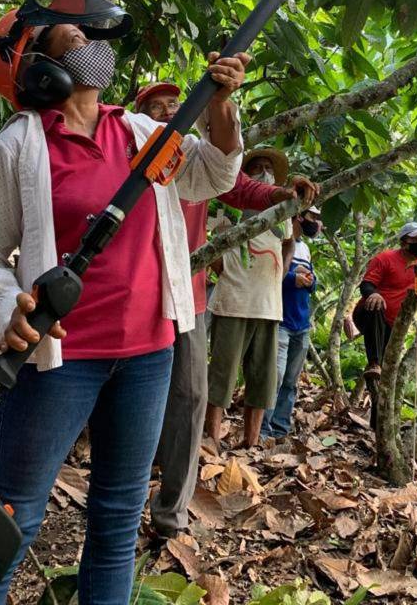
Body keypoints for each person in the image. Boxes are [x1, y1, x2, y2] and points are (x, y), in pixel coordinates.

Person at [0, 0, 247, 605]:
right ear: (36, 63)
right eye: (74, 39)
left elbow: (212, 175)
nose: (90, 49)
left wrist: (221, 106)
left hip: (148, 353)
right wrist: (9, 308)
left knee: (115, 519)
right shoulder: (15, 150)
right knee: (12, 520)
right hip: (61, 360)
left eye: (89, 38)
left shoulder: (141, 133)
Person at [134, 81, 317, 538]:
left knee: (191, 395)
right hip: (133, 293)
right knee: (133, 395)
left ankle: (169, 514)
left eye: (173, 106)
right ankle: (126, 491)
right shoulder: (128, 151)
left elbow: (238, 187)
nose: (165, 113)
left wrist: (279, 198)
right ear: (138, 117)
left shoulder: (193, 158)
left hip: (186, 295)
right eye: (154, 108)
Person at [205, 148, 298, 448]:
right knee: (222, 374)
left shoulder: (281, 211)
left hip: (269, 305)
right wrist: (224, 269)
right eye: (257, 166)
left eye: (269, 167)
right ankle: (212, 439)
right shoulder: (230, 202)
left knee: (262, 379)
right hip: (234, 299)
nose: (264, 171)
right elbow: (210, 241)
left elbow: (289, 243)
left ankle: (251, 442)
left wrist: (281, 272)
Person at [262, 206, 322, 439]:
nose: (316, 223)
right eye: (313, 217)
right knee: (274, 378)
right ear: (298, 215)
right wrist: (291, 279)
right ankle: (263, 430)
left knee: (290, 382)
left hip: (301, 323)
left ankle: (280, 428)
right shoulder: (278, 241)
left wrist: (308, 280)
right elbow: (269, 274)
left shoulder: (305, 248)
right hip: (281, 320)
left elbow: (312, 282)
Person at [352, 221, 417, 377]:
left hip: (395, 324)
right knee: (377, 304)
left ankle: (378, 390)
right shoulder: (385, 258)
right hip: (369, 313)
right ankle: (373, 362)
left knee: (387, 370)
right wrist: (373, 293)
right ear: (403, 242)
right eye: (414, 240)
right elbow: (366, 284)